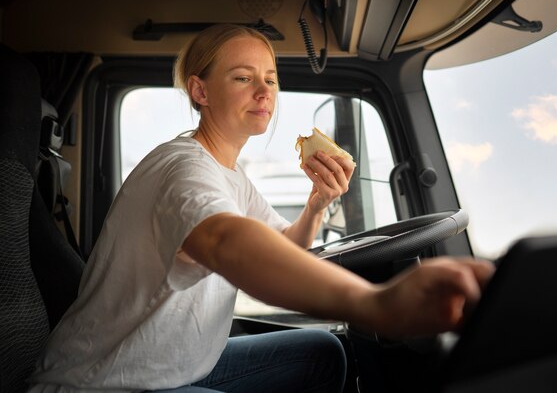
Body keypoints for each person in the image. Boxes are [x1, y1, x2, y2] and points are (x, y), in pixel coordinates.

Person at [28, 24, 494, 392]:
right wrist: (375, 304)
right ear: (201, 92)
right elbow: (223, 240)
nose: (264, 91)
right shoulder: (181, 167)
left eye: (270, 79)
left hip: (178, 366)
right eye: (243, 77)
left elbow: (285, 246)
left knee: (324, 354)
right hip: (108, 383)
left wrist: (318, 203)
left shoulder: (232, 174)